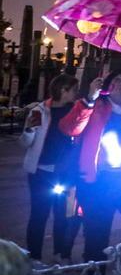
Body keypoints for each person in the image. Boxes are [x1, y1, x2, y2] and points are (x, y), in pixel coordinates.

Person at [59, 69, 121, 263]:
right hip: (97, 182)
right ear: (108, 85)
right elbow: (69, 128)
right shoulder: (94, 107)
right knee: (96, 237)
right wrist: (89, 100)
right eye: (117, 80)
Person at [22, 74, 81, 264]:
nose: (75, 93)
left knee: (63, 215)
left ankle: (60, 253)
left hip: (65, 172)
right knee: (39, 215)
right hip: (41, 171)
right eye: (73, 89)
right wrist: (29, 130)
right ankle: (34, 256)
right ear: (63, 90)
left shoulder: (76, 111)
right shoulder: (40, 111)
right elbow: (25, 143)